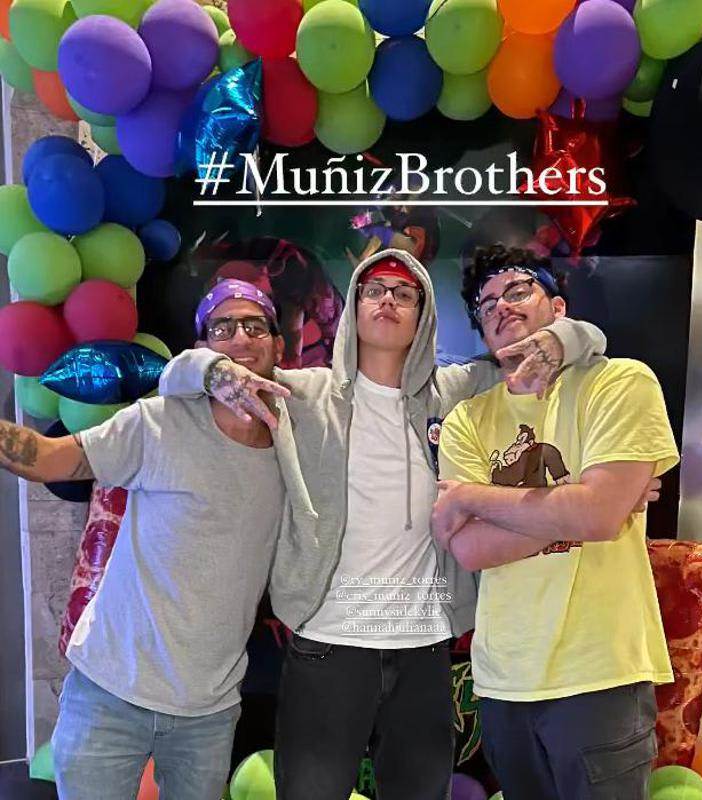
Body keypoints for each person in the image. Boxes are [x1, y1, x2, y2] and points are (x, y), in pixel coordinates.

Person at [159, 248, 609, 800]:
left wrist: (562, 339)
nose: (388, 300)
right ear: (353, 306)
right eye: (374, 290)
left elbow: (581, 343)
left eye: (404, 292)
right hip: (327, 644)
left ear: (423, 313)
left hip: (424, 646)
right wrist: (209, 369)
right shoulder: (303, 393)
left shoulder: (455, 391)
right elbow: (175, 376)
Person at [0, 280, 288, 800]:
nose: (240, 337)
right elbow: (48, 458)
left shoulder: (296, 444)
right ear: (204, 349)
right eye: (222, 328)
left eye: (255, 326)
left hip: (209, 709)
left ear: (279, 345)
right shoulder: (157, 424)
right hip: (108, 692)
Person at [432, 244, 678, 800]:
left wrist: (472, 496)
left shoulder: (619, 383)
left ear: (559, 307)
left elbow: (598, 514)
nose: (500, 306)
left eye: (518, 291)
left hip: (600, 672)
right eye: (486, 304)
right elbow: (470, 549)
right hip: (504, 680)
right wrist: (586, 507)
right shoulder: (467, 419)